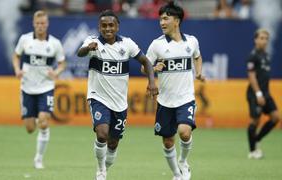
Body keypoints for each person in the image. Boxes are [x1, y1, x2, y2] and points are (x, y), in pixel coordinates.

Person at [77, 10, 158, 180]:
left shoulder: (127, 44)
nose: (107, 29)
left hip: (120, 103)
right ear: (99, 27)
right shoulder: (93, 42)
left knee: (113, 144)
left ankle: (105, 167)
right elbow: (80, 53)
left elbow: (146, 61)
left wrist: (152, 81)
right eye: (104, 26)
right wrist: (87, 48)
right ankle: (100, 170)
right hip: (98, 97)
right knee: (102, 134)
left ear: (117, 26)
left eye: (111, 25)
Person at [142, 2, 204, 180]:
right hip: (165, 101)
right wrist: (154, 68)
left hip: (185, 98)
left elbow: (197, 56)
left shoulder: (191, 41)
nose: (161, 22)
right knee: (168, 141)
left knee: (185, 132)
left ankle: (183, 162)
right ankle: (177, 174)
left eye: (165, 18)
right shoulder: (157, 45)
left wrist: (199, 72)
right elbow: (144, 68)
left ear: (176, 21)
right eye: (160, 19)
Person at [12, 10, 66, 169]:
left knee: (43, 123)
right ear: (33, 24)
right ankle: (37, 117)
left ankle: (39, 158)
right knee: (30, 128)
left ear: (47, 24)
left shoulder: (54, 43)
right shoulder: (25, 39)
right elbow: (16, 56)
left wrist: (56, 72)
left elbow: (62, 63)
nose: (40, 26)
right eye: (38, 23)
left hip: (46, 87)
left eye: (43, 23)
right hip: (27, 87)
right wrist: (17, 69)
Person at [246, 28, 280, 159]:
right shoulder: (253, 56)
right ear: (255, 40)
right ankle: (252, 151)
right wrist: (258, 93)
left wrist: (264, 93)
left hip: (266, 93)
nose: (264, 41)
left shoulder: (266, 56)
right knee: (255, 120)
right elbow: (251, 76)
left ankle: (257, 139)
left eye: (266, 39)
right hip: (255, 93)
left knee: (276, 117)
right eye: (261, 38)